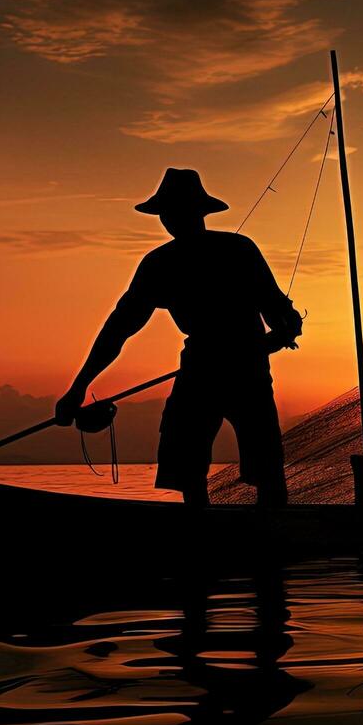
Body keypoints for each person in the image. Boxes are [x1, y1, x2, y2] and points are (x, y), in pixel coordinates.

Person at [55, 168, 302, 506]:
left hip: (236, 369)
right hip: (213, 366)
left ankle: (266, 531)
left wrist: (282, 330)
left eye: (173, 212)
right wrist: (78, 387)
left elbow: (278, 311)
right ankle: (213, 531)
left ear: (195, 212)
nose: (170, 220)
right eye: (166, 214)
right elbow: (119, 328)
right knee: (195, 463)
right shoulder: (166, 263)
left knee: (261, 464)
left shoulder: (212, 255)